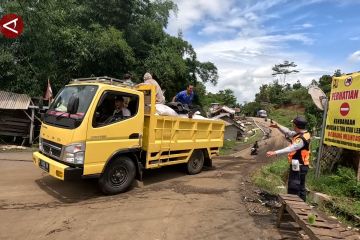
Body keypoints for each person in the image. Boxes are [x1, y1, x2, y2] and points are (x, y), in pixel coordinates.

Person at [266, 116, 311, 201]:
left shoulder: (302, 139)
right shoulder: (304, 133)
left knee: (294, 186)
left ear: (295, 125)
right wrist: (278, 126)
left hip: (299, 166)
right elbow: (288, 132)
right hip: (301, 165)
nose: (292, 126)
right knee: (300, 186)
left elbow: (291, 148)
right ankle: (301, 205)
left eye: (293, 124)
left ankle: (294, 205)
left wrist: (275, 152)